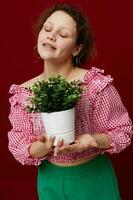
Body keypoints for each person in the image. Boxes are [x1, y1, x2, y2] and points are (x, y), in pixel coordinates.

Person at [8, 3, 132, 200]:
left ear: (77, 48)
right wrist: (43, 146)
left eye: (63, 34)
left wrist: (91, 140)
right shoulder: (24, 94)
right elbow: (20, 145)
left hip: (94, 178)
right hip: (51, 180)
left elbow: (122, 131)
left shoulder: (95, 86)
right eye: (47, 29)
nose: (50, 35)